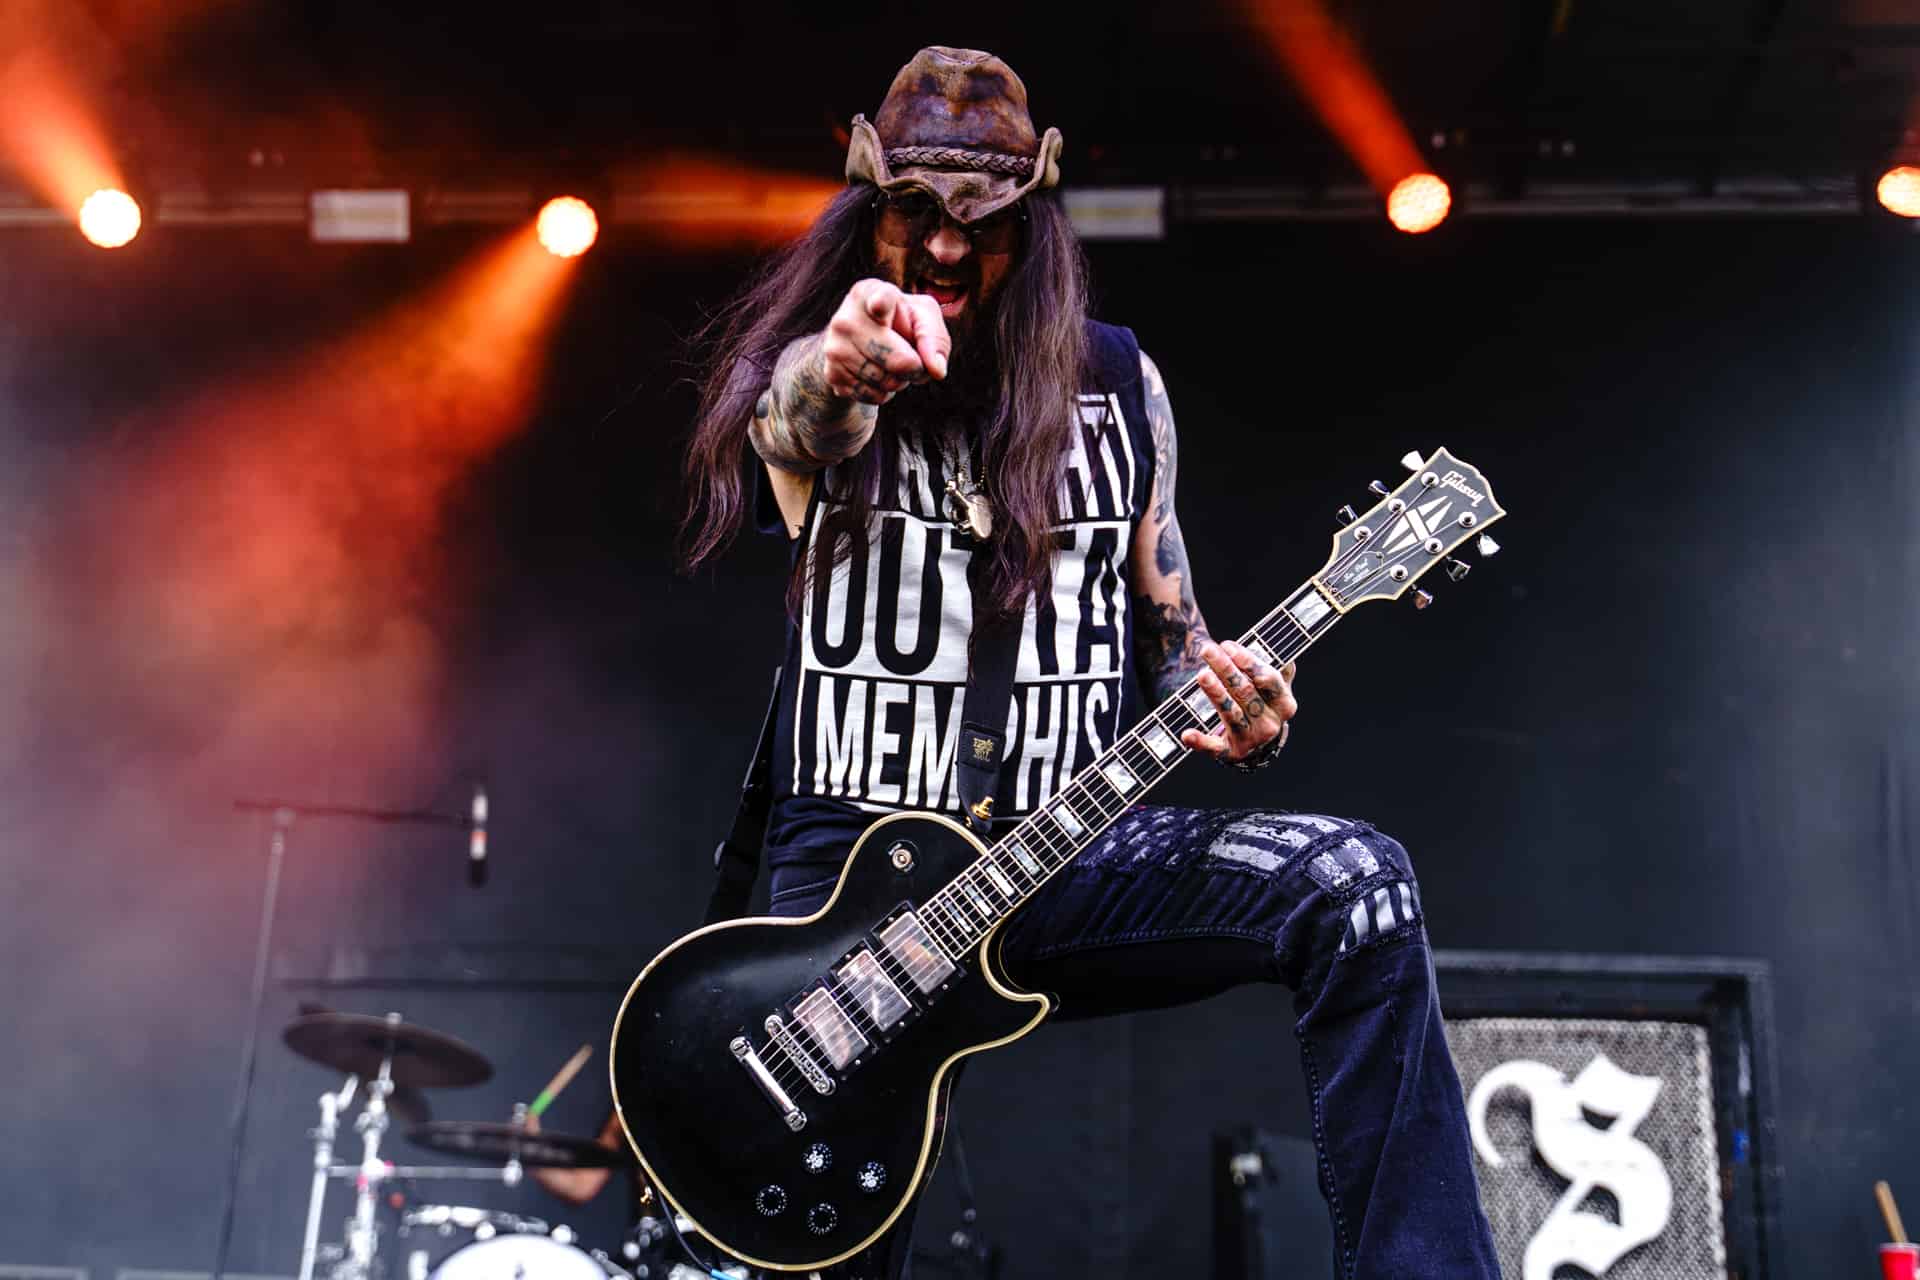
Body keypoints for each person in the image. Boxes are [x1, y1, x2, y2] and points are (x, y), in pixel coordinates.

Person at [677, 45, 1501, 1280]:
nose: (946, 246)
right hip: (850, 875)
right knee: (832, 1240)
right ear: (868, 213)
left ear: (1034, 228)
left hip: (1059, 853)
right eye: (915, 213)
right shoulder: (804, 367)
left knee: (1357, 884)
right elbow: (801, 422)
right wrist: (839, 366)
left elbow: (1175, 644)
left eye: (984, 221)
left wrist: (1243, 706)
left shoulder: (1119, 385)